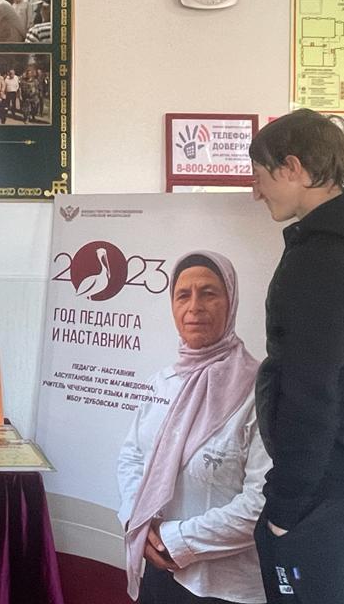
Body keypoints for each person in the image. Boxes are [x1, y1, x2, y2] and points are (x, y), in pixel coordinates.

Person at [249, 109, 344, 604]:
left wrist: (284, 508)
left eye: (259, 174)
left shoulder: (319, 263)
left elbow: (311, 394)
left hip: (326, 489)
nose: (255, 192)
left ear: (292, 167)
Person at [118, 251, 269, 604]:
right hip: (159, 569)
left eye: (209, 293)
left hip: (225, 588)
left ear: (230, 301)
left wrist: (177, 540)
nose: (194, 307)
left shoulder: (259, 391)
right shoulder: (162, 383)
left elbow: (262, 500)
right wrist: (138, 522)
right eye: (182, 295)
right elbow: (132, 457)